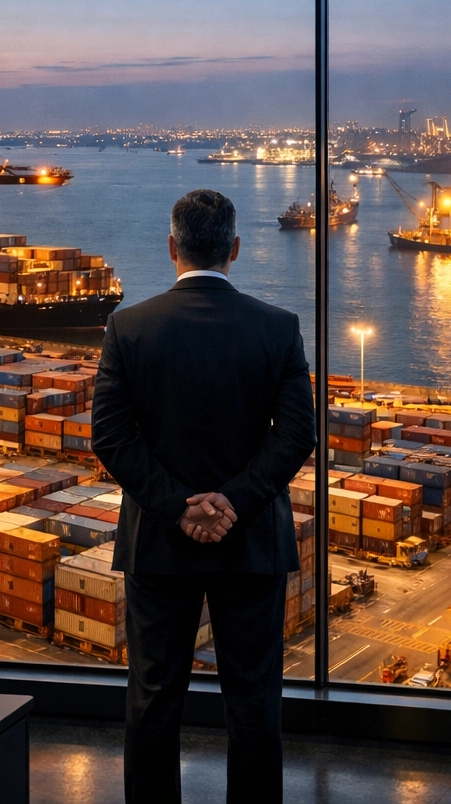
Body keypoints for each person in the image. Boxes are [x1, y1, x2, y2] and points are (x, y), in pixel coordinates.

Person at [91, 188, 316, 804]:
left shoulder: (128, 327)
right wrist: (232, 504)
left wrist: (178, 508)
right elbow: (297, 435)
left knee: (153, 697)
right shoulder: (278, 328)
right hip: (252, 544)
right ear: (235, 249)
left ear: (172, 247)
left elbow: (110, 437)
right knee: (254, 699)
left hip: (159, 545)